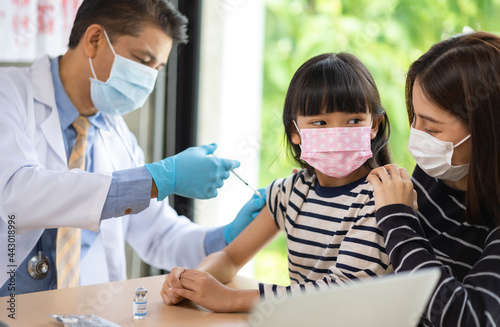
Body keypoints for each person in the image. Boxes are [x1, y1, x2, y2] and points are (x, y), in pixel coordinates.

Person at [0, 0, 264, 295]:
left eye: (158, 68)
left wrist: (226, 238)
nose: (148, 79)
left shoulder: (116, 134)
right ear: (94, 40)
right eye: (142, 60)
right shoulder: (7, 95)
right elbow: (18, 195)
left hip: (77, 311)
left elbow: (157, 234)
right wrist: (157, 179)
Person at [160, 52, 395, 312]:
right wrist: (193, 281)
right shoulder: (290, 192)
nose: (336, 134)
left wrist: (229, 298)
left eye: (353, 121)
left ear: (374, 125)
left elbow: (339, 293)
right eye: (320, 122)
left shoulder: (384, 196)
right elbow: (230, 256)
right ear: (295, 131)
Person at [367, 31, 500, 326]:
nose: (417, 136)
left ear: (486, 131)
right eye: (414, 117)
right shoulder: (435, 172)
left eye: (432, 129)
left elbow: (469, 318)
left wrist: (397, 219)